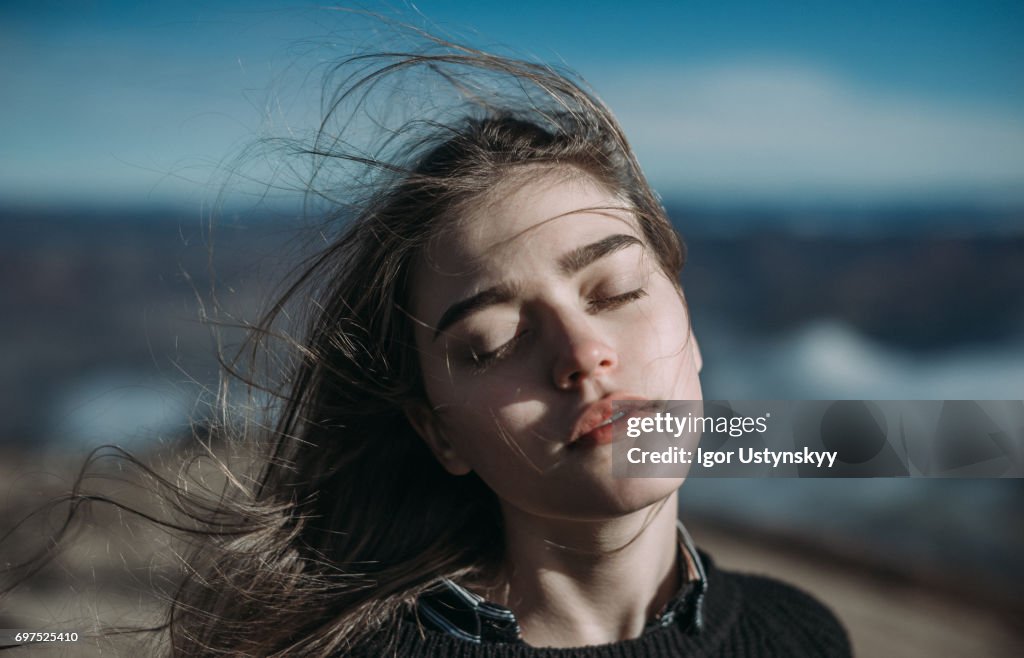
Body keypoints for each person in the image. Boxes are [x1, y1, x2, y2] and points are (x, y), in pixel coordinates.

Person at [2, 28, 850, 658]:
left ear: (688, 324)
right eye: (490, 342)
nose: (583, 351)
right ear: (437, 430)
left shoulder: (803, 636)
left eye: (617, 290)